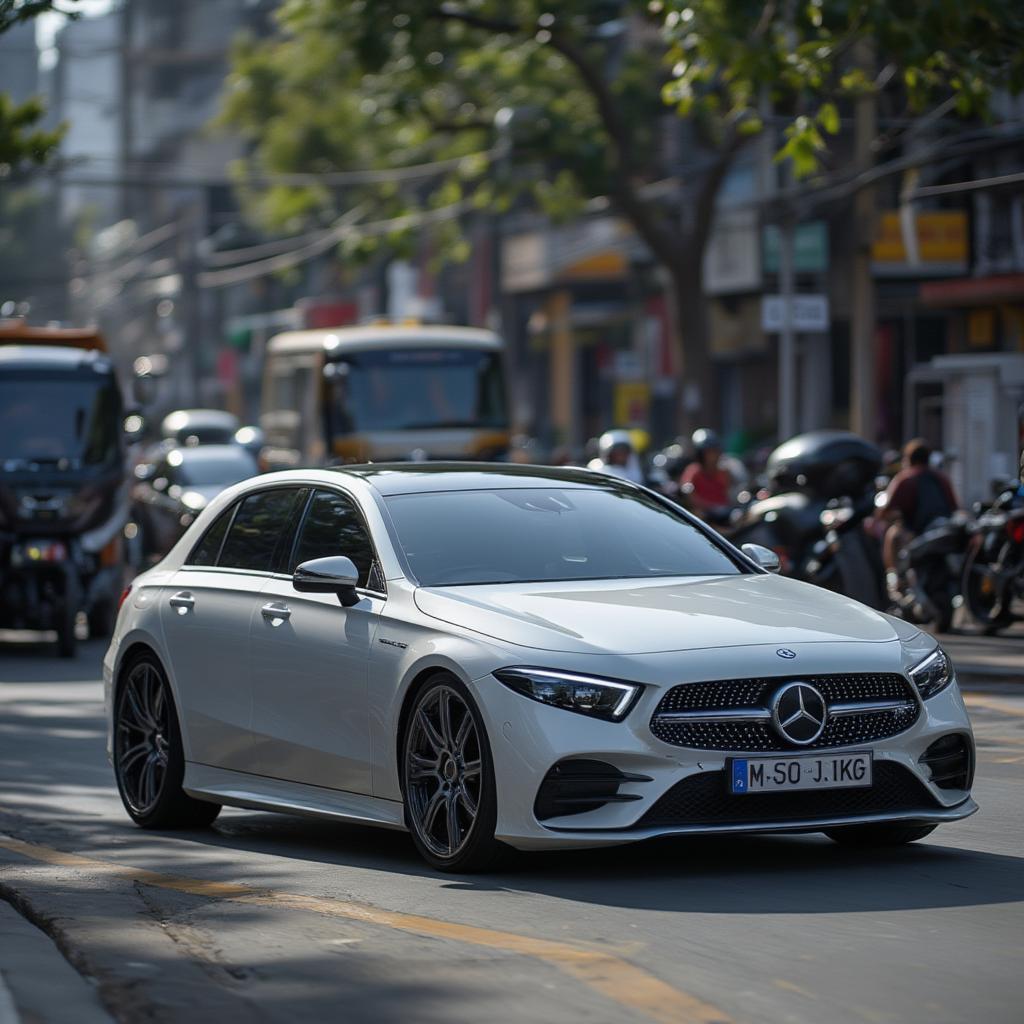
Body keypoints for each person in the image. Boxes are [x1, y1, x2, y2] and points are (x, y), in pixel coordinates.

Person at [882, 438, 959, 571]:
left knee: (893, 534)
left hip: (916, 532)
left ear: (908, 459)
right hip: (944, 527)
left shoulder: (905, 478)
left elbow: (885, 511)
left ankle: (895, 577)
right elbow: (955, 507)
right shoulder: (941, 477)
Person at [679, 428, 732, 521]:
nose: (713, 455)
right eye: (709, 452)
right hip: (706, 519)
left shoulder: (723, 471)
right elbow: (687, 490)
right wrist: (708, 508)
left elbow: (730, 493)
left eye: (715, 451)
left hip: (725, 516)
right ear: (700, 454)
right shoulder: (693, 471)